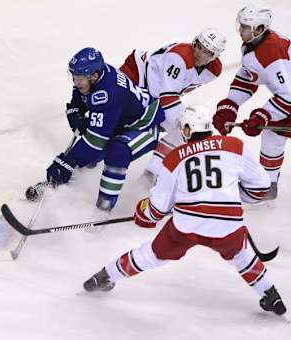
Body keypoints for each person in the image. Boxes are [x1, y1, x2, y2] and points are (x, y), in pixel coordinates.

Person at [83, 105, 287, 317]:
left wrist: (143, 213)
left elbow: (157, 209)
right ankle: (271, 294)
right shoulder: (233, 145)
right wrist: (235, 197)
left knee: (152, 253)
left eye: (183, 127)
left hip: (186, 225)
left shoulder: (175, 157)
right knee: (242, 255)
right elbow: (262, 185)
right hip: (226, 224)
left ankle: (105, 276)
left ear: (189, 130)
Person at [47, 47, 165, 214]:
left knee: (117, 152)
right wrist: (75, 112)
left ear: (94, 76)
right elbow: (80, 95)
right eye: (73, 77)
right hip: (120, 119)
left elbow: (96, 142)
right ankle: (61, 185)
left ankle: (102, 212)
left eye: (79, 79)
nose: (75, 82)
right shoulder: (96, 74)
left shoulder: (107, 93)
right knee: (89, 157)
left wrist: (68, 162)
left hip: (144, 125)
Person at [117, 28, 226, 185]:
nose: (199, 53)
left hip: (154, 94)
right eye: (199, 46)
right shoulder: (180, 56)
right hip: (134, 77)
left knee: (184, 132)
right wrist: (185, 121)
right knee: (114, 119)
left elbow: (170, 94)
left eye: (207, 52)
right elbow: (167, 97)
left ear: (215, 56)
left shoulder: (214, 71)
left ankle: (152, 173)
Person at [212, 3, 291, 200]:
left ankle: (267, 186)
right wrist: (230, 105)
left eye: (246, 27)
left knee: (273, 132)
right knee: (273, 135)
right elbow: (247, 77)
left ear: (260, 28)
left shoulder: (272, 52)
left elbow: (288, 96)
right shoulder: (255, 44)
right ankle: (268, 186)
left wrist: (262, 116)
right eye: (242, 25)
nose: (241, 30)